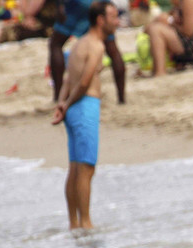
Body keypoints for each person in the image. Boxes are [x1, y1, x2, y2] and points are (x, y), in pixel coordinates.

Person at [51, 0, 119, 230]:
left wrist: (62, 103)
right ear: (100, 20)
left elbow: (68, 79)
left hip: (73, 108)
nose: (117, 21)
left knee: (75, 168)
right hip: (84, 105)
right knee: (86, 168)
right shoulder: (97, 47)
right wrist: (68, 103)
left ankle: (74, 224)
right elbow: (84, 82)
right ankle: (87, 223)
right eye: (113, 17)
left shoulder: (79, 44)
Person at [49, 0, 125, 104]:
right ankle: (121, 98)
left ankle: (58, 96)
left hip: (79, 4)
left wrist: (59, 6)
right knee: (112, 50)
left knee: (56, 44)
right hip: (100, 3)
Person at [143, 0, 193, 76]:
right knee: (154, 28)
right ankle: (156, 70)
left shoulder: (188, 1)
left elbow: (189, 32)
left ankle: (160, 72)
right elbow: (147, 29)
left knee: (156, 30)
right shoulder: (180, 3)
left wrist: (170, 22)